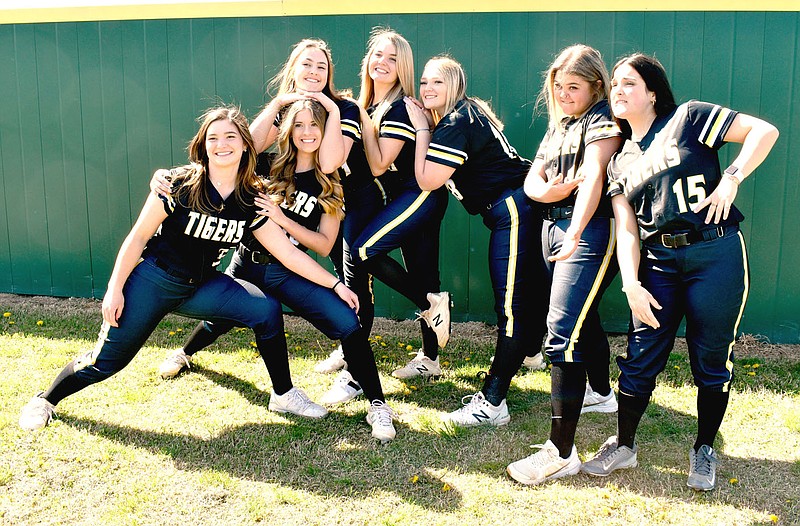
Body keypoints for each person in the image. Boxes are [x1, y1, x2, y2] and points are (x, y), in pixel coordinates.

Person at [18, 105, 359, 431]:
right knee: (106, 363)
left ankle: (284, 394)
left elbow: (288, 254)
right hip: (154, 280)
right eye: (213, 138)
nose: (221, 144)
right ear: (203, 145)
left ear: (245, 146)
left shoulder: (250, 197)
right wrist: (114, 288)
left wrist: (335, 285)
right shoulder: (178, 185)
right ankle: (46, 400)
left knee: (265, 307)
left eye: (230, 137)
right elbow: (137, 239)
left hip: (200, 285)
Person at [579, 53, 778, 491]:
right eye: (614, 83)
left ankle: (704, 448)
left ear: (652, 92)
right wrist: (630, 282)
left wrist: (732, 177)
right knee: (641, 354)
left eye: (629, 83)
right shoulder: (620, 159)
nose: (618, 89)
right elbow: (627, 229)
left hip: (715, 253)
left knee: (710, 358)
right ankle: (625, 444)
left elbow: (764, 131)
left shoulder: (688, 118)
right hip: (657, 263)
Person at [158, 100, 397, 440]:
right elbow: (214, 159)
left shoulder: (330, 182)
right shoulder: (265, 165)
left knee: (348, 322)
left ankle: (378, 406)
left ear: (326, 131)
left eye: (314, 125)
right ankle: (183, 354)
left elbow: (325, 245)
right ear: (288, 130)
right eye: (298, 125)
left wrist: (283, 219)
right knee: (221, 319)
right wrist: (162, 176)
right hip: (246, 264)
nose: (306, 133)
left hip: (289, 271)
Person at [404, 55, 548, 426]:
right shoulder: (464, 114)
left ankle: (494, 401)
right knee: (526, 293)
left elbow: (427, 179)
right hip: (516, 206)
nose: (427, 89)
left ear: (455, 84)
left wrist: (421, 129)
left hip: (513, 207)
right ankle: (532, 352)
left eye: (437, 82)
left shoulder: (454, 122)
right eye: (423, 83)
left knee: (511, 305)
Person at [505, 44, 623, 486]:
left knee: (561, 333)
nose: (565, 93)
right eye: (558, 86)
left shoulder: (604, 119)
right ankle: (601, 395)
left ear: (596, 85)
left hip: (588, 229)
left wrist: (575, 227)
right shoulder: (561, 125)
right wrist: (548, 194)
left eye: (574, 86)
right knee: (580, 317)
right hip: (551, 225)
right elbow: (533, 179)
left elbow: (594, 176)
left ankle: (561, 452)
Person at [319, 28, 452, 382]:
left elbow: (379, 164)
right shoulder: (368, 105)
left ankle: (428, 317)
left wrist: (360, 117)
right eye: (378, 54)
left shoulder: (399, 107)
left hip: (417, 192)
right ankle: (421, 356)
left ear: (403, 67)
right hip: (393, 197)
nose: (383, 62)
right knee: (411, 271)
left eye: (393, 58)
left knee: (366, 255)